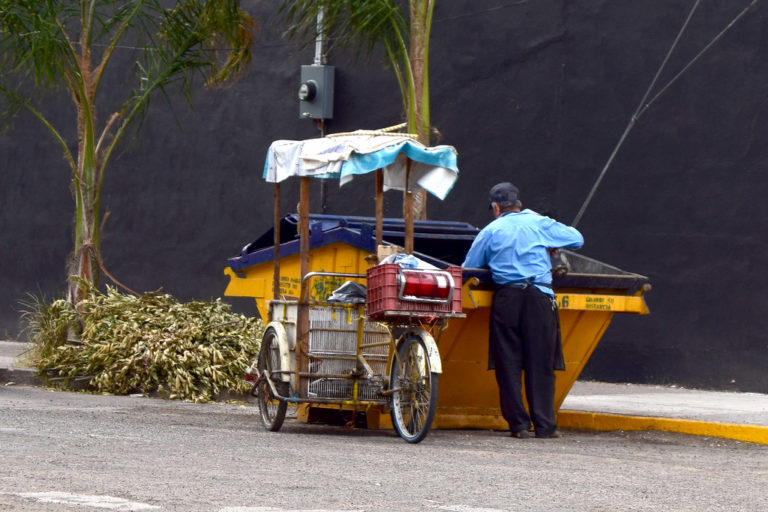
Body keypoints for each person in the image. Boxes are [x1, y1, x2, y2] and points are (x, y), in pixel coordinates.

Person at [462, 182, 583, 439]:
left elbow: (470, 267)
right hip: (540, 297)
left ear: (496, 207)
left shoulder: (490, 231)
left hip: (508, 298)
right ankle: (545, 425)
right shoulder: (539, 223)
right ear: (519, 204)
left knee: (508, 361)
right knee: (541, 362)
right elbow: (576, 239)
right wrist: (548, 243)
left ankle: (518, 425)